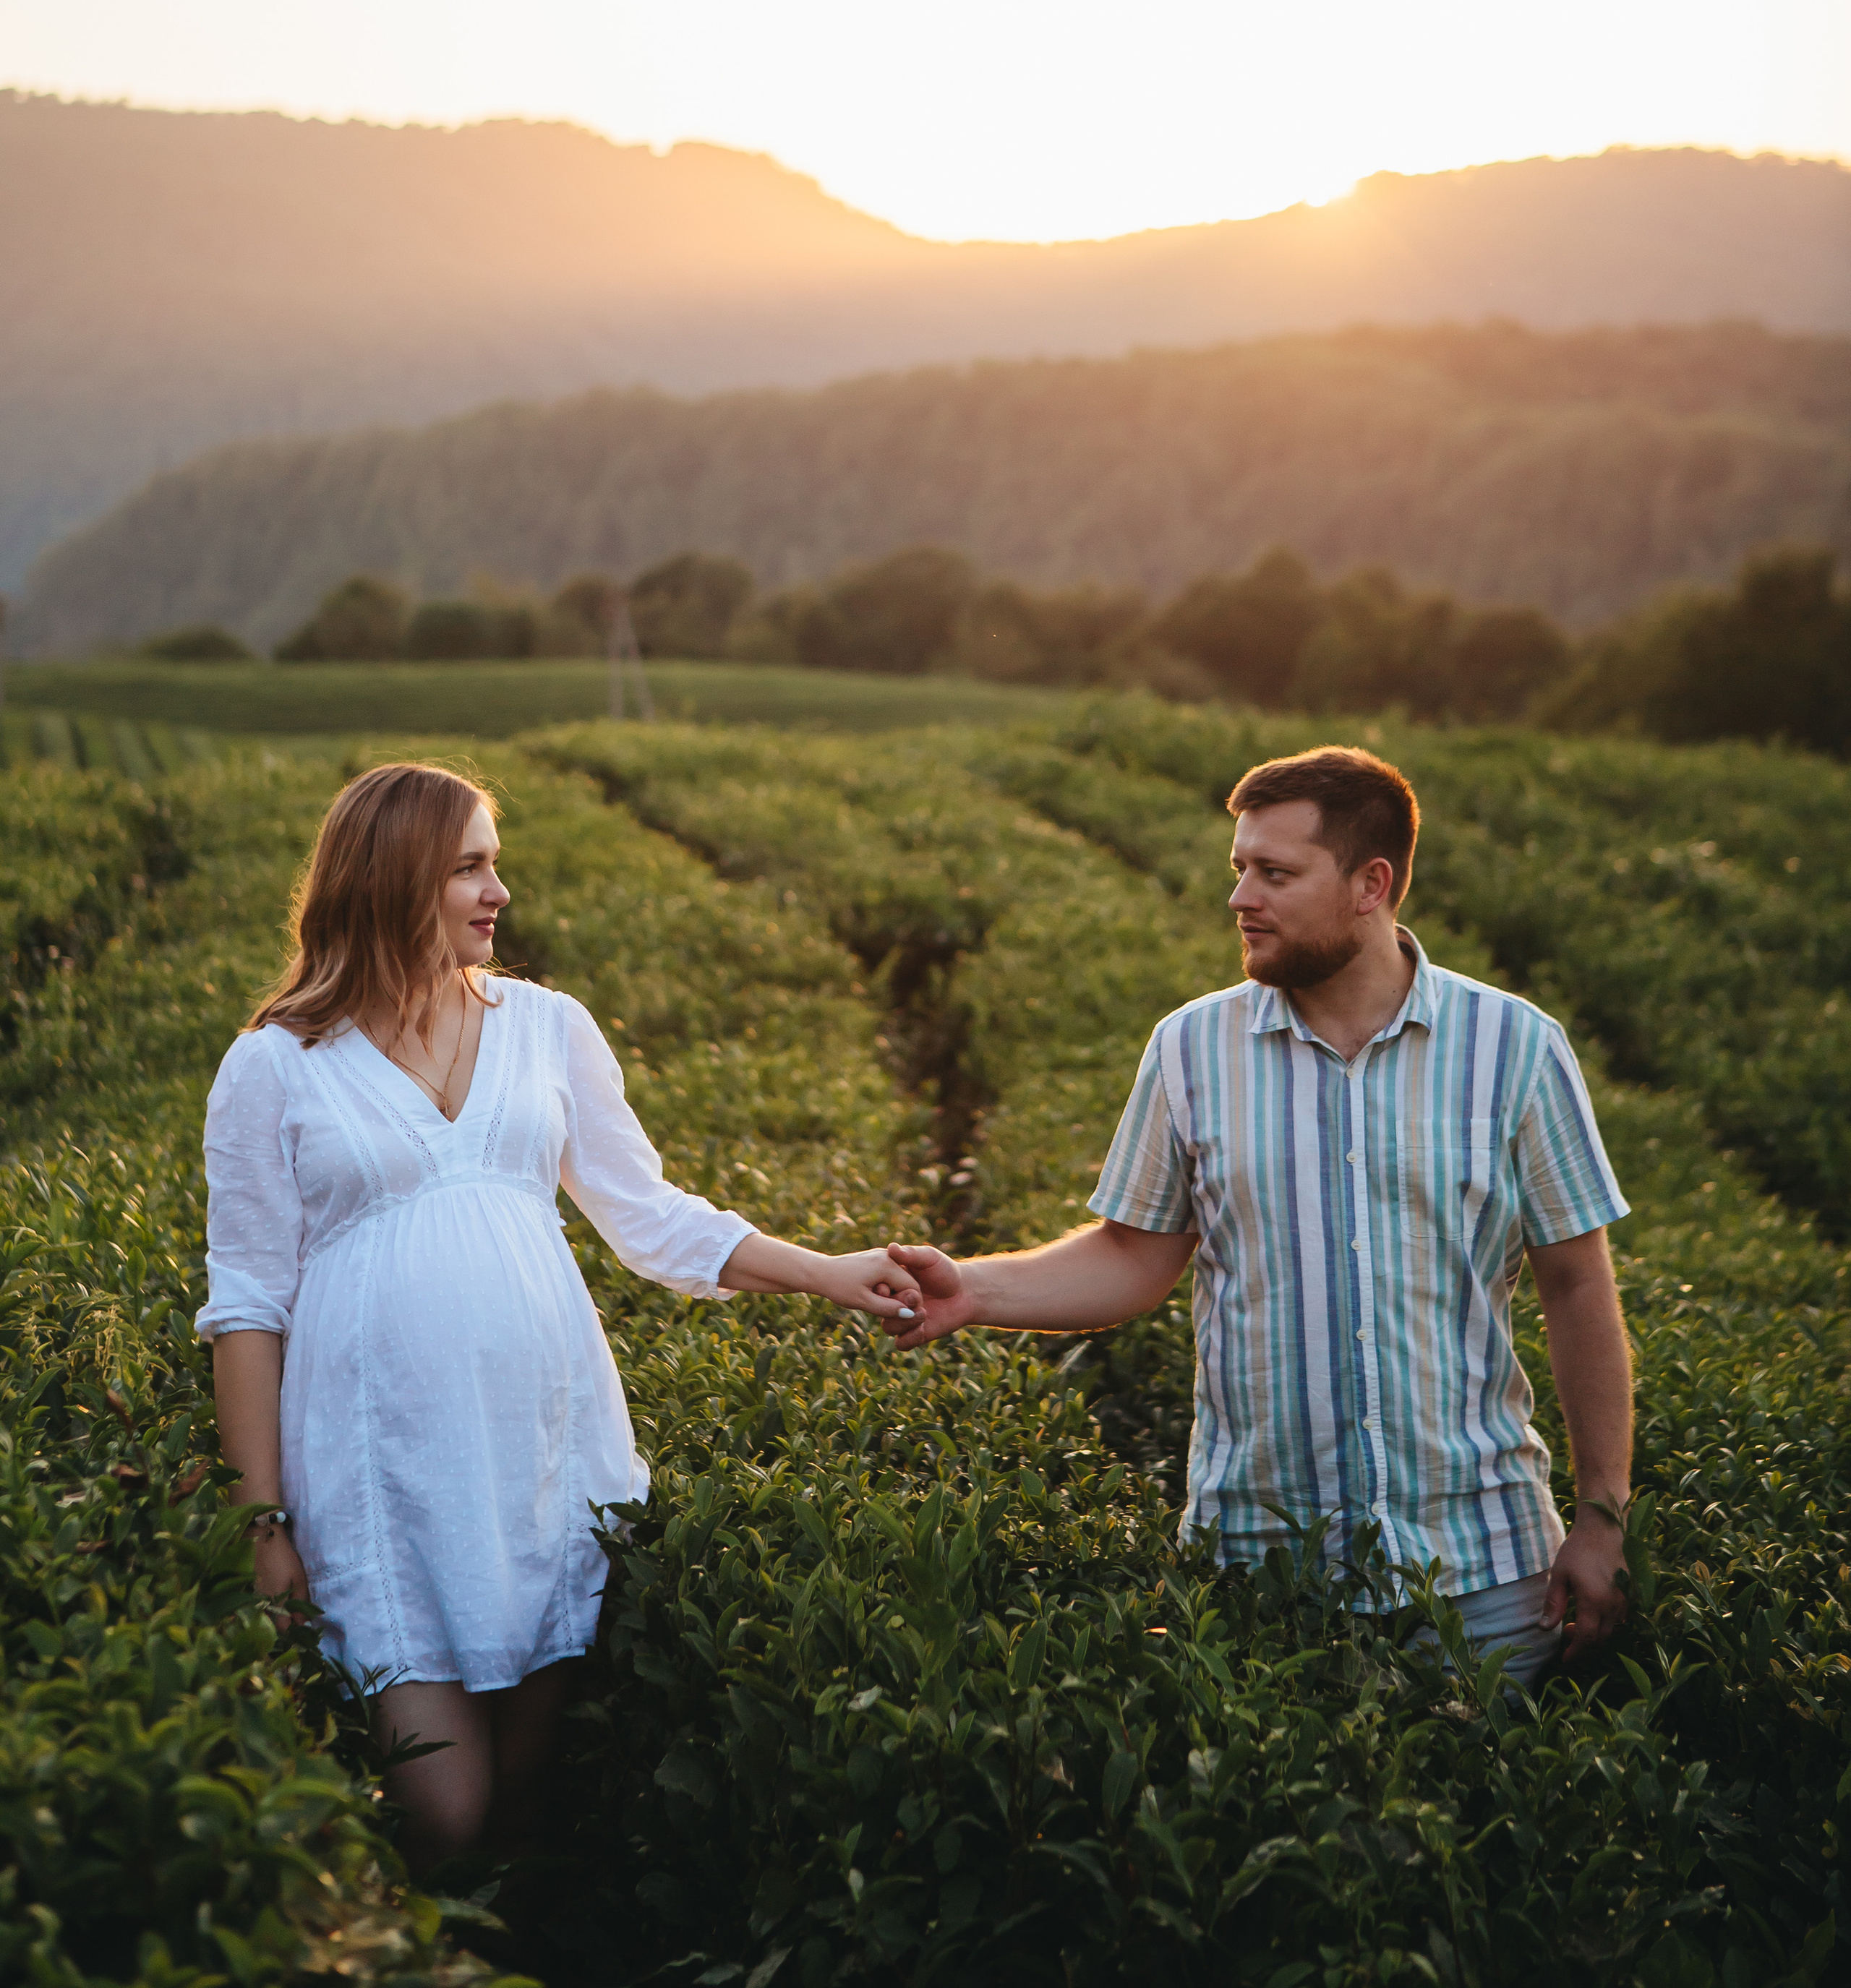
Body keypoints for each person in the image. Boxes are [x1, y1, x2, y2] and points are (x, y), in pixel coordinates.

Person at [199, 760, 920, 1869]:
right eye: (471, 868)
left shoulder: (547, 1026)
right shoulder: (273, 1066)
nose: (500, 893)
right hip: (376, 1469)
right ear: (392, 878)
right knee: (447, 1810)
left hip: (543, 1449)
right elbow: (248, 1308)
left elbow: (653, 1220)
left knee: (529, 1807)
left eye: (498, 866)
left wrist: (829, 1268)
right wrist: (264, 1528)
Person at [887, 744, 1633, 1684]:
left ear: (1372, 884)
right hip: (1260, 1574)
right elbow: (1134, 1254)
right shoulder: (1192, 1048)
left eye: (1274, 874)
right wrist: (974, 1290)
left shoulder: (1516, 1048)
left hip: (1485, 1575)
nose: (1242, 897)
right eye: (1239, 869)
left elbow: (1577, 1285)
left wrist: (1602, 1515)